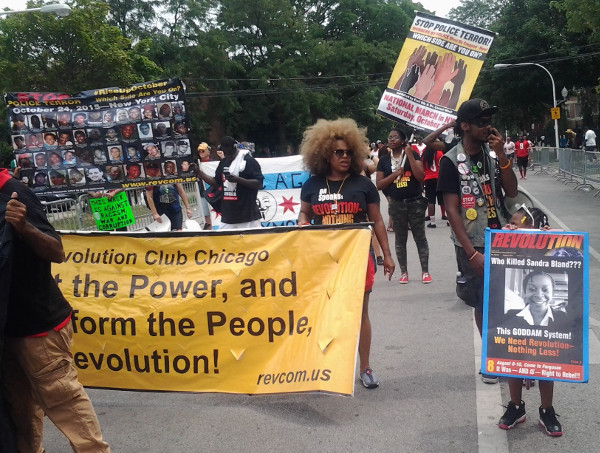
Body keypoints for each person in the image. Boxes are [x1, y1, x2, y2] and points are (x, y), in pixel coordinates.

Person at [0, 168, 110, 452]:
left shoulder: (14, 191)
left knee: (66, 404)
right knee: (20, 415)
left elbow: (57, 252)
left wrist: (23, 226)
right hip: (7, 331)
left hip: (40, 328)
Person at [297, 118, 395, 389]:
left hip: (357, 259)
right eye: (338, 152)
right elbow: (305, 212)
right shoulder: (312, 184)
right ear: (324, 153)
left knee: (360, 312)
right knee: (324, 314)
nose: (344, 156)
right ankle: (325, 367)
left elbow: (376, 221)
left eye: (348, 152)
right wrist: (302, 222)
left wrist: (386, 255)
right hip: (322, 260)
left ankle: (365, 368)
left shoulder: (362, 185)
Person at [437, 98, 518, 384]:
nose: (488, 126)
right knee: (483, 302)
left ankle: (510, 355)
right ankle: (491, 358)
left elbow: (511, 191)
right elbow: (451, 210)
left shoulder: (493, 154)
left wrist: (502, 156)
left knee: (508, 300)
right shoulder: (450, 161)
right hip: (474, 242)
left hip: (502, 236)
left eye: (489, 120)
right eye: (481, 121)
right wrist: (471, 254)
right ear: (464, 125)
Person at [497, 207, 563, 437]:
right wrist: (506, 232)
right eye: (511, 224)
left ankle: (547, 410)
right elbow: (495, 247)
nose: (513, 228)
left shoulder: (549, 249)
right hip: (518, 318)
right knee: (513, 360)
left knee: (545, 364)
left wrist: (550, 234)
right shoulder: (505, 246)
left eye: (518, 225)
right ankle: (516, 407)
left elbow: (570, 248)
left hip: (544, 322)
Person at [376, 127, 430, 284]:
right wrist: (394, 175)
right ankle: (404, 272)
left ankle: (425, 272)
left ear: (403, 140)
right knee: (400, 239)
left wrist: (410, 157)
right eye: (389, 137)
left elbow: (421, 176)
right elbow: (379, 184)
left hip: (415, 203)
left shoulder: (412, 154)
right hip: (396, 205)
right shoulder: (385, 160)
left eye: (395, 137)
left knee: (420, 238)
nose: (391, 140)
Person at [194, 136, 264, 229]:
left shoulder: (249, 161)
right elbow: (216, 182)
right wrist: (199, 173)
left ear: (235, 147)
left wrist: (238, 179)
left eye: (230, 153)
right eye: (226, 153)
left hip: (248, 216)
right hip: (228, 216)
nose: (229, 156)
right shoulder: (224, 162)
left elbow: (259, 183)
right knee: (223, 242)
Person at [422, 144, 446, 228]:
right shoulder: (439, 153)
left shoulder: (425, 154)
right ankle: (447, 218)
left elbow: (423, 168)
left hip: (428, 178)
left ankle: (432, 222)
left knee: (431, 201)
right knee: (443, 199)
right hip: (439, 178)